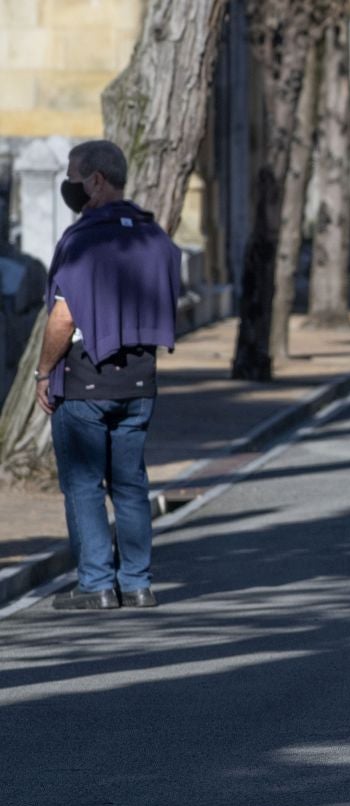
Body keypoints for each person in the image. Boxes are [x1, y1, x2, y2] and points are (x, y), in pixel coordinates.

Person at [35, 140, 180, 611]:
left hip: (85, 382)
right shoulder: (154, 236)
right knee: (132, 485)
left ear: (95, 180)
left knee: (83, 485)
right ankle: (137, 584)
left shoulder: (83, 240)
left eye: (74, 178)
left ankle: (96, 584)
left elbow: (63, 319)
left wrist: (42, 372)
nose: (70, 188)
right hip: (141, 382)